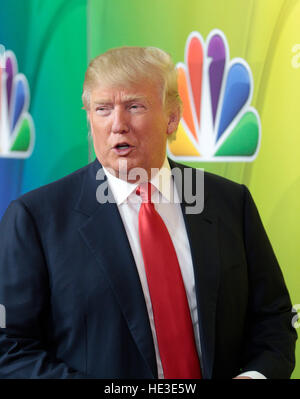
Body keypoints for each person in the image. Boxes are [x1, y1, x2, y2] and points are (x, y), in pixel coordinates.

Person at [0, 46, 297, 379]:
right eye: (102, 109)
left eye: (134, 106)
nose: (118, 125)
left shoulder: (230, 202)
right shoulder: (36, 219)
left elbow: (273, 320)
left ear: (171, 116)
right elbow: (11, 349)